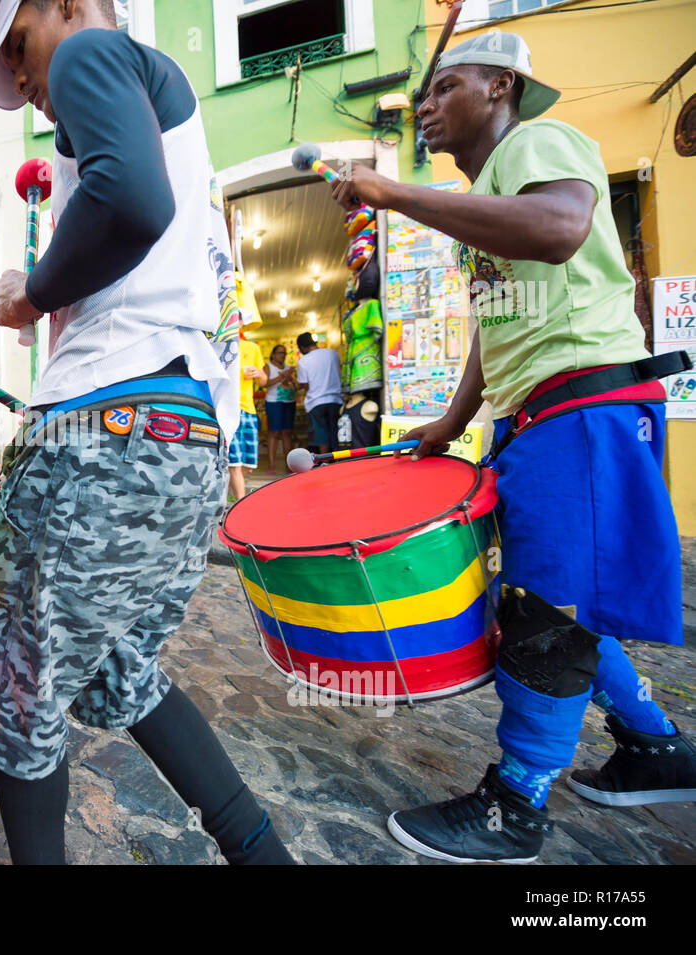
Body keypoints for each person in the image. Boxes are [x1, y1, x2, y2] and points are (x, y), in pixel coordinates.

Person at [326, 30, 694, 863]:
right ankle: (655, 743)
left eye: (443, 86)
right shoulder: (492, 191)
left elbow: (561, 228)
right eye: (423, 94)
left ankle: (517, 805)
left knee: (547, 615)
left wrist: (394, 194)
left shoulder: (541, 141)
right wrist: (452, 423)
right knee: (547, 598)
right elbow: (496, 329)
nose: (424, 105)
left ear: (500, 87)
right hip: (534, 416)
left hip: (581, 405)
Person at [0, 0, 293, 865]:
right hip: (181, 441)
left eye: (20, 49)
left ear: (63, 6)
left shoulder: (90, 53)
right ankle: (263, 855)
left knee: (21, 685)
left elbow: (131, 198)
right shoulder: (164, 102)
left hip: (107, 434)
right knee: (123, 674)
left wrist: (30, 293)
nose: (29, 80)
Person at [227, 332, 264, 499]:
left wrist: (259, 374)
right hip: (227, 408)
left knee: (247, 465)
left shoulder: (252, 347)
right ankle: (239, 505)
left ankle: (222, 498)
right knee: (233, 463)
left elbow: (263, 381)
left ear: (241, 323)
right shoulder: (219, 343)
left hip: (248, 409)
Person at [294, 331, 341, 453]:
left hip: (316, 402)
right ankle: (339, 463)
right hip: (335, 400)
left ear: (302, 347)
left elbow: (305, 385)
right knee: (336, 432)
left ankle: (324, 464)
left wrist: (297, 385)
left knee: (321, 436)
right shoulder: (333, 354)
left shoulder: (303, 361)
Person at [260, 343, 296, 473]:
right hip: (274, 402)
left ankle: (289, 466)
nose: (283, 355)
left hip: (289, 401)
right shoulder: (268, 367)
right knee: (274, 433)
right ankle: (271, 465)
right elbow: (265, 384)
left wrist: (290, 378)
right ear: (273, 354)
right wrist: (281, 376)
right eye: (280, 352)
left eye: (284, 352)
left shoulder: (287, 367)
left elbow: (293, 385)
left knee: (287, 433)